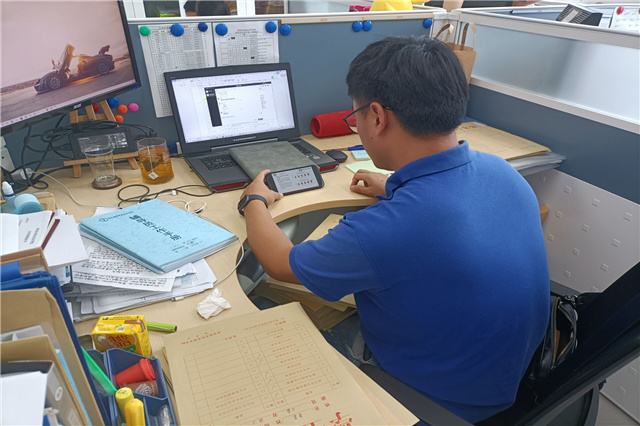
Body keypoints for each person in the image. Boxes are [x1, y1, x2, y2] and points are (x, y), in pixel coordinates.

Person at [238, 35, 549, 423]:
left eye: (355, 117)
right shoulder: (501, 172)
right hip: (503, 377)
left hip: (432, 402)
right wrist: (394, 186)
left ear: (377, 117)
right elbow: (446, 207)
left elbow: (280, 262)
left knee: (264, 312)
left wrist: (253, 201)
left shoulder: (383, 231)